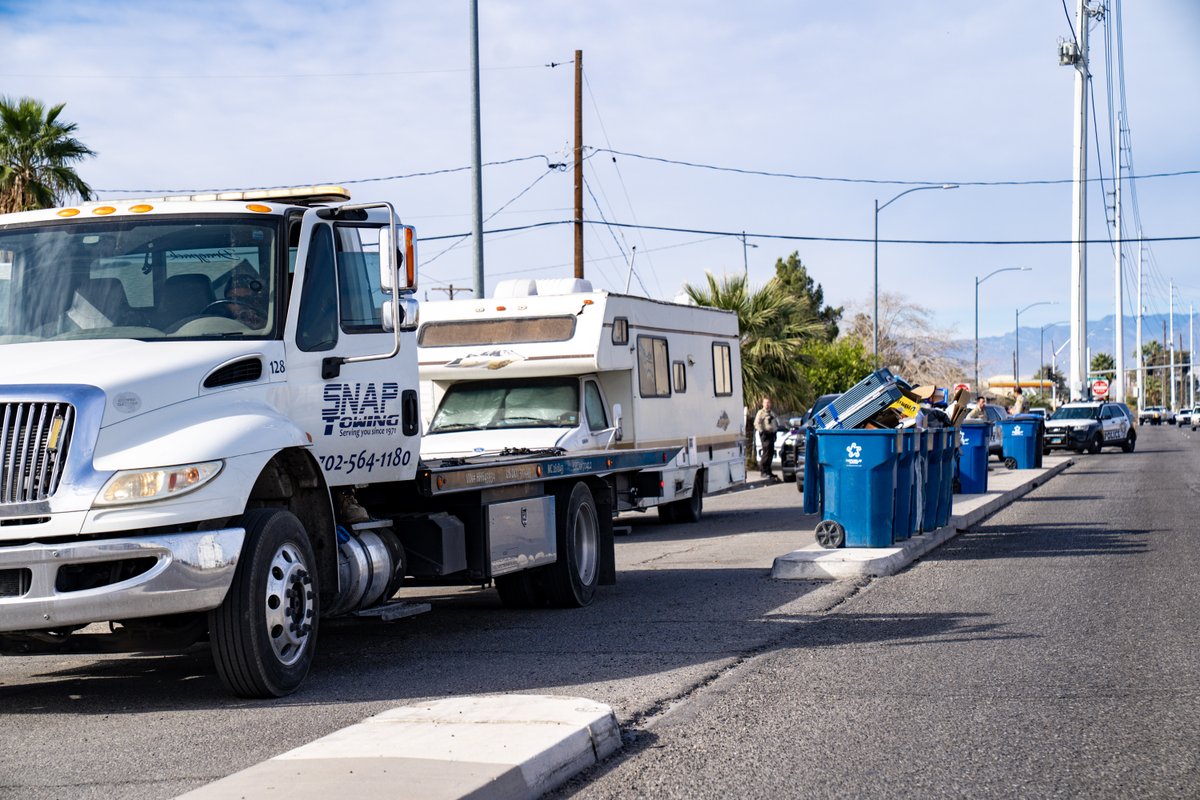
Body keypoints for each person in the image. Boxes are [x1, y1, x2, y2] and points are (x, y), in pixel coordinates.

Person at [219, 261, 268, 328]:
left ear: (256, 301)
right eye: (234, 299)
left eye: (247, 299)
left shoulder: (270, 323)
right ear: (226, 303)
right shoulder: (218, 321)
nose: (240, 304)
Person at [754, 396, 780, 481]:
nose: (767, 404)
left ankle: (769, 471)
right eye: (765, 403)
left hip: (771, 434)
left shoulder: (772, 413)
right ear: (763, 404)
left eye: (768, 402)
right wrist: (762, 431)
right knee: (766, 452)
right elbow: (756, 423)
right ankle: (763, 471)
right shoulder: (761, 413)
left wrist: (775, 431)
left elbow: (775, 423)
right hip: (765, 434)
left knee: (771, 453)